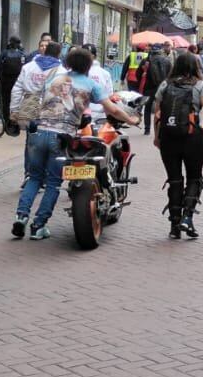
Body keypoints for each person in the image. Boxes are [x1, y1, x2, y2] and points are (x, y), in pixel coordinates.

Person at [10, 47, 133, 239]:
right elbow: (113, 110)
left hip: (38, 132)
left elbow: (37, 99)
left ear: (67, 63)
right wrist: (132, 119)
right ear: (88, 66)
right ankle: (38, 225)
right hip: (61, 136)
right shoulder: (90, 84)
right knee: (53, 182)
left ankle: (21, 217)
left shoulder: (52, 78)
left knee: (34, 178)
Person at [151, 51, 203, 239]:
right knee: (194, 177)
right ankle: (187, 217)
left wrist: (157, 137)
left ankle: (174, 224)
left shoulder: (165, 85)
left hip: (168, 136)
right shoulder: (200, 86)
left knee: (175, 179)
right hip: (191, 136)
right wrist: (202, 130)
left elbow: (157, 115)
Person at [0, 35, 26, 133]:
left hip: (5, 81)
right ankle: (15, 123)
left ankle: (6, 123)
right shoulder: (22, 54)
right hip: (18, 81)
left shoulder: (4, 53)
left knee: (5, 102)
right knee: (17, 102)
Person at [139, 44, 172, 135]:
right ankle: (162, 128)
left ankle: (147, 129)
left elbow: (138, 74)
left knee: (147, 108)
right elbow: (171, 75)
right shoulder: (167, 61)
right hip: (163, 88)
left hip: (148, 88)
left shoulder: (146, 61)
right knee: (163, 109)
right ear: (161, 51)